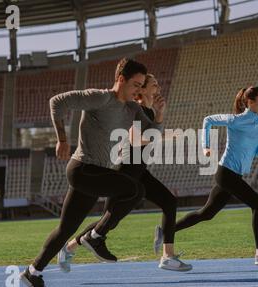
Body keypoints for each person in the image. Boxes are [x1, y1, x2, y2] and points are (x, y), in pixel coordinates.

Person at [20, 58, 166, 287]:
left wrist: (159, 116)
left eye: (142, 85)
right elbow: (57, 101)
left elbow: (151, 136)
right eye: (136, 85)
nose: (139, 90)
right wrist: (62, 139)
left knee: (65, 230)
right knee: (135, 190)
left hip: (94, 173)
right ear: (121, 79)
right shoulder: (100, 97)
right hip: (82, 169)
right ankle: (95, 236)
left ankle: (32, 272)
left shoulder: (133, 109)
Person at [57, 74, 192, 273]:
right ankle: (69, 247)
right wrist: (169, 135)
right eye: (154, 85)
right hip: (127, 170)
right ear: (143, 89)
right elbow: (135, 139)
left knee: (169, 202)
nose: (158, 89)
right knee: (109, 220)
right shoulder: (134, 109)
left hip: (140, 170)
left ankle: (167, 256)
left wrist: (160, 116)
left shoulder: (149, 111)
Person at [153, 86, 258, 266]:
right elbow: (208, 120)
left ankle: (166, 231)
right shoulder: (236, 120)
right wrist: (205, 146)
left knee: (206, 214)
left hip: (235, 175)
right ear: (250, 102)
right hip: (226, 173)